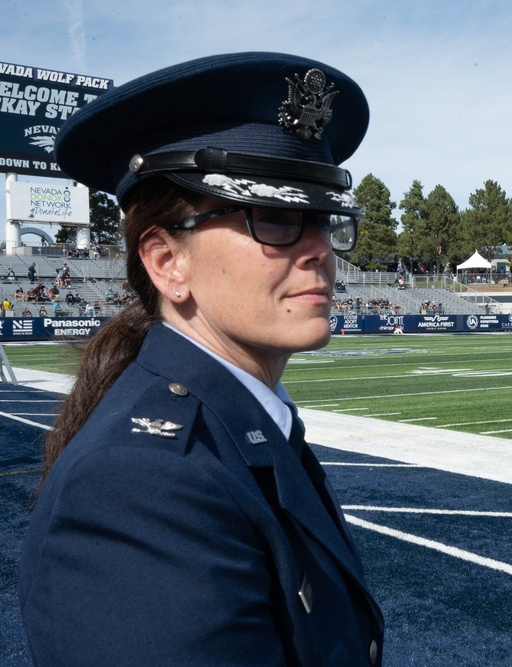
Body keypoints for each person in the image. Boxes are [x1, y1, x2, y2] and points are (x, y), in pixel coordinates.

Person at [19, 52, 383, 666]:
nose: (321, 249)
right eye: (275, 218)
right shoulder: (140, 485)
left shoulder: (242, 426)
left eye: (324, 218)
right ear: (167, 263)